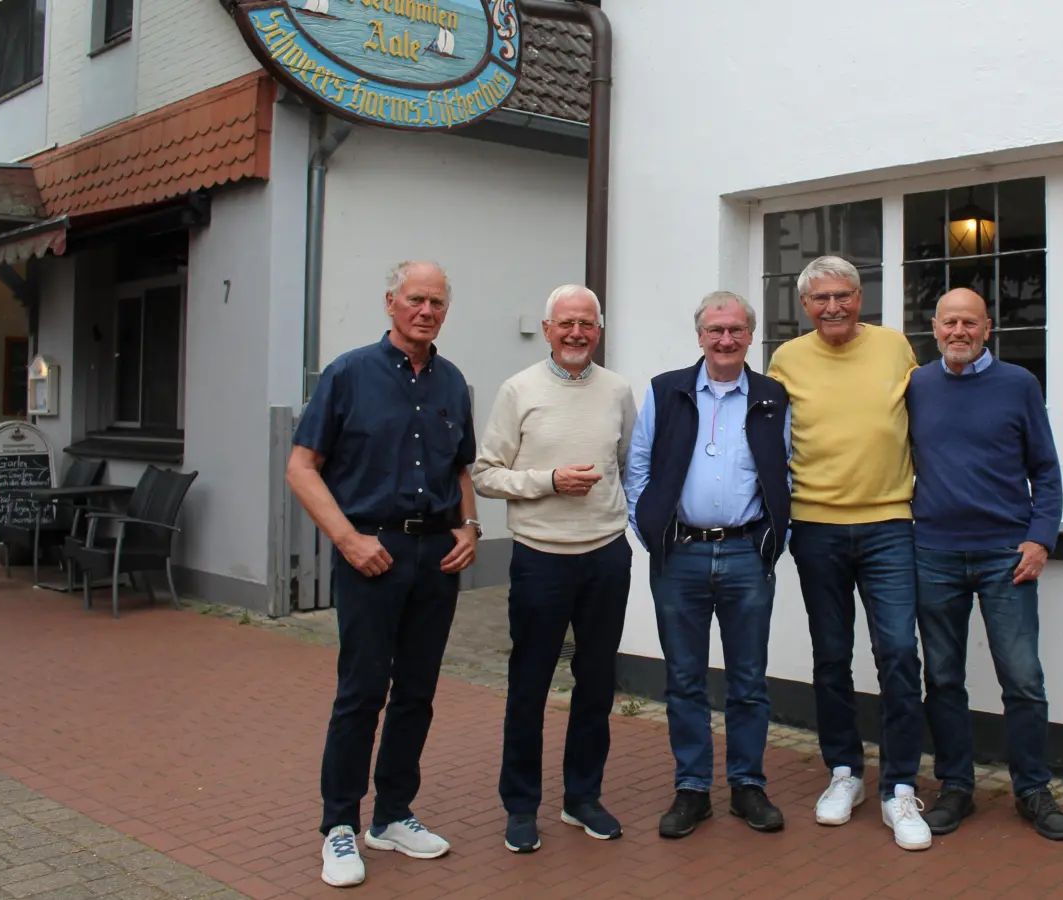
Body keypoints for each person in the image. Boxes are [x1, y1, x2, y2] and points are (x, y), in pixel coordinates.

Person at [286, 260, 482, 888]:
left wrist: (470, 527)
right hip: (372, 554)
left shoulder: (453, 382)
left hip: (437, 559)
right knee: (361, 693)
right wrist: (347, 539)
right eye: (416, 299)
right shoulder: (348, 374)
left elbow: (459, 470)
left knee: (418, 692)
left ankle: (393, 815)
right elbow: (301, 466)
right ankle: (339, 826)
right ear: (391, 303)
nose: (426, 311)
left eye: (438, 303)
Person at [766, 255, 930, 852]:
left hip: (890, 522)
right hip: (816, 527)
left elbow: (924, 423)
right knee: (832, 655)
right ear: (805, 306)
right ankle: (843, 772)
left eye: (843, 296)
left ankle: (899, 786)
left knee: (896, 654)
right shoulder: (786, 359)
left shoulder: (895, 348)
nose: (832, 307)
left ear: (861, 297)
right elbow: (769, 438)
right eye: (820, 299)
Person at [472, 284, 638, 854]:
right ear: (547, 329)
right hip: (540, 558)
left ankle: (582, 797)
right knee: (530, 685)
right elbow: (486, 473)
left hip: (605, 557)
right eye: (565, 324)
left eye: (586, 325)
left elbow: (626, 467)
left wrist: (624, 526)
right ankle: (521, 806)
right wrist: (547, 482)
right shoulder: (519, 390)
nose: (576, 334)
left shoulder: (618, 391)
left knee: (596, 684)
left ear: (599, 330)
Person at [906, 287, 1063, 841]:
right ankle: (956, 787)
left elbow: (1047, 471)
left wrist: (1040, 539)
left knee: (1022, 678)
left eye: (969, 323)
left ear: (988, 327)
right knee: (945, 678)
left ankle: (1032, 789)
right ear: (934, 328)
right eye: (949, 322)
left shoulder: (1018, 385)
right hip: (934, 552)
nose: (959, 331)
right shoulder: (917, 386)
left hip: (1008, 554)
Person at [623, 291, 792, 839]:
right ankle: (692, 789)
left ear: (750, 336)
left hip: (746, 553)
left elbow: (786, 470)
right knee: (685, 680)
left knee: (748, 680)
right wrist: (652, 531)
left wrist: (771, 538)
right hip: (680, 555)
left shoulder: (771, 397)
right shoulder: (665, 390)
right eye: (715, 330)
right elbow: (639, 466)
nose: (725, 340)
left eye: (736, 330)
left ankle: (747, 786)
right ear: (699, 336)